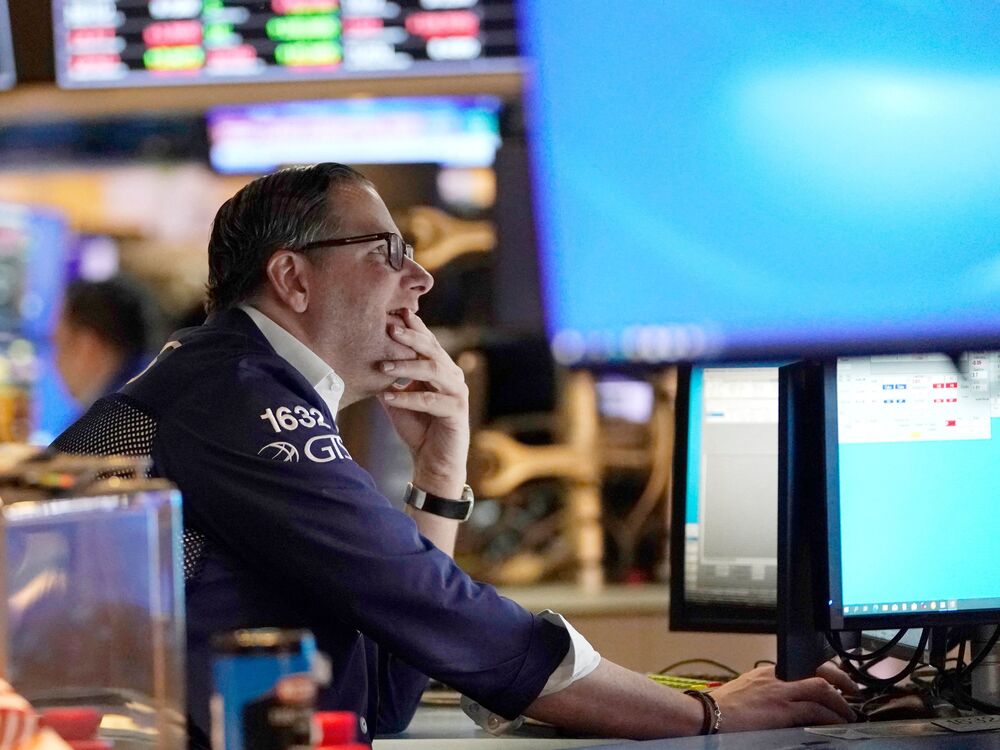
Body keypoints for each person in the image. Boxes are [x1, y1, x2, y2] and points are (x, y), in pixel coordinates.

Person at [52, 164, 855, 744]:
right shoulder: (234, 393)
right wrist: (705, 713)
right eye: (387, 251)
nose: (423, 278)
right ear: (292, 279)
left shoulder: (246, 385)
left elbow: (386, 694)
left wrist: (440, 472)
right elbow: (444, 616)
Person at [53, 277, 161, 408]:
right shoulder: (161, 388)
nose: (56, 362)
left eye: (59, 346)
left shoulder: (112, 418)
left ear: (87, 348)